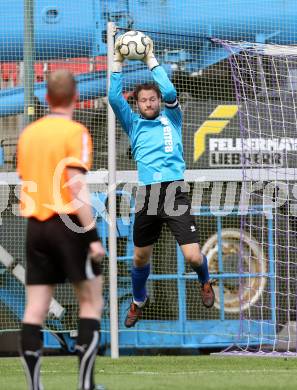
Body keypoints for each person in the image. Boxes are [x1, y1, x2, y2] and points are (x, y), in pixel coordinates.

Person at [108, 34, 215, 328]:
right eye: (143, 100)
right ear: (138, 105)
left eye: (152, 99)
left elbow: (168, 89)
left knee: (193, 256)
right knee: (140, 259)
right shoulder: (133, 124)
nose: (149, 103)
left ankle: (205, 281)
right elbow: (114, 98)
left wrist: (150, 58)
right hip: (147, 196)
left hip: (175, 192)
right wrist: (117, 60)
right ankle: (139, 300)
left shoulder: (173, 117)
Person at [17, 70, 105, 390]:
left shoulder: (29, 134)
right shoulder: (75, 131)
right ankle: (86, 385)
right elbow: (74, 183)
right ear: (75, 96)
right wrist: (93, 236)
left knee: (35, 308)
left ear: (47, 97)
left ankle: (34, 386)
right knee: (91, 301)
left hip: (35, 226)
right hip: (67, 224)